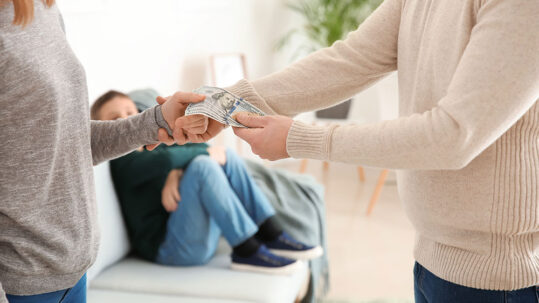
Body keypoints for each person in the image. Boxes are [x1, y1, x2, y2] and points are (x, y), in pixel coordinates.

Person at [177, 0, 539, 302]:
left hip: (499, 280)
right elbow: (351, 60)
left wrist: (301, 139)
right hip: (432, 257)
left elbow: (454, 134)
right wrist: (221, 104)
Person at [0, 1, 201, 302]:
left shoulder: (43, 10)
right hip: (32, 275)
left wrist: (156, 120)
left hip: (76, 264)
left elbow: (70, 141)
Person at [91, 91, 323, 274]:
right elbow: (167, 160)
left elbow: (177, 155)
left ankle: (271, 232)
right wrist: (185, 163)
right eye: (115, 119)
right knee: (204, 164)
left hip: (195, 234)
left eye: (130, 112)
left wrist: (178, 173)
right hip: (171, 249)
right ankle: (246, 250)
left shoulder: (155, 145)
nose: (126, 121)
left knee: (227, 156)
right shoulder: (121, 161)